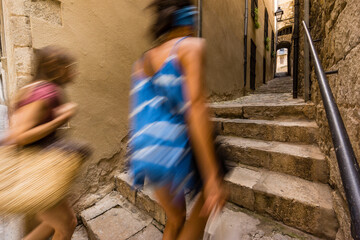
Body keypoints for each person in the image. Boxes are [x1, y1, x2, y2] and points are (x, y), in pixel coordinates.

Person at [129, 1, 227, 239]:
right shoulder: (191, 47)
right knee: (209, 194)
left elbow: (137, 112)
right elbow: (195, 108)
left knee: (175, 219)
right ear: (189, 20)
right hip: (172, 151)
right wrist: (212, 176)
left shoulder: (141, 63)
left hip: (144, 154)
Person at [2, 46, 81, 240]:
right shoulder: (47, 92)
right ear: (56, 68)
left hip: (35, 173)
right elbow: (19, 135)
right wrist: (60, 119)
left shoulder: (29, 89)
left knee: (54, 222)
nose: (73, 72)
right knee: (67, 224)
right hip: (38, 173)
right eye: (68, 67)